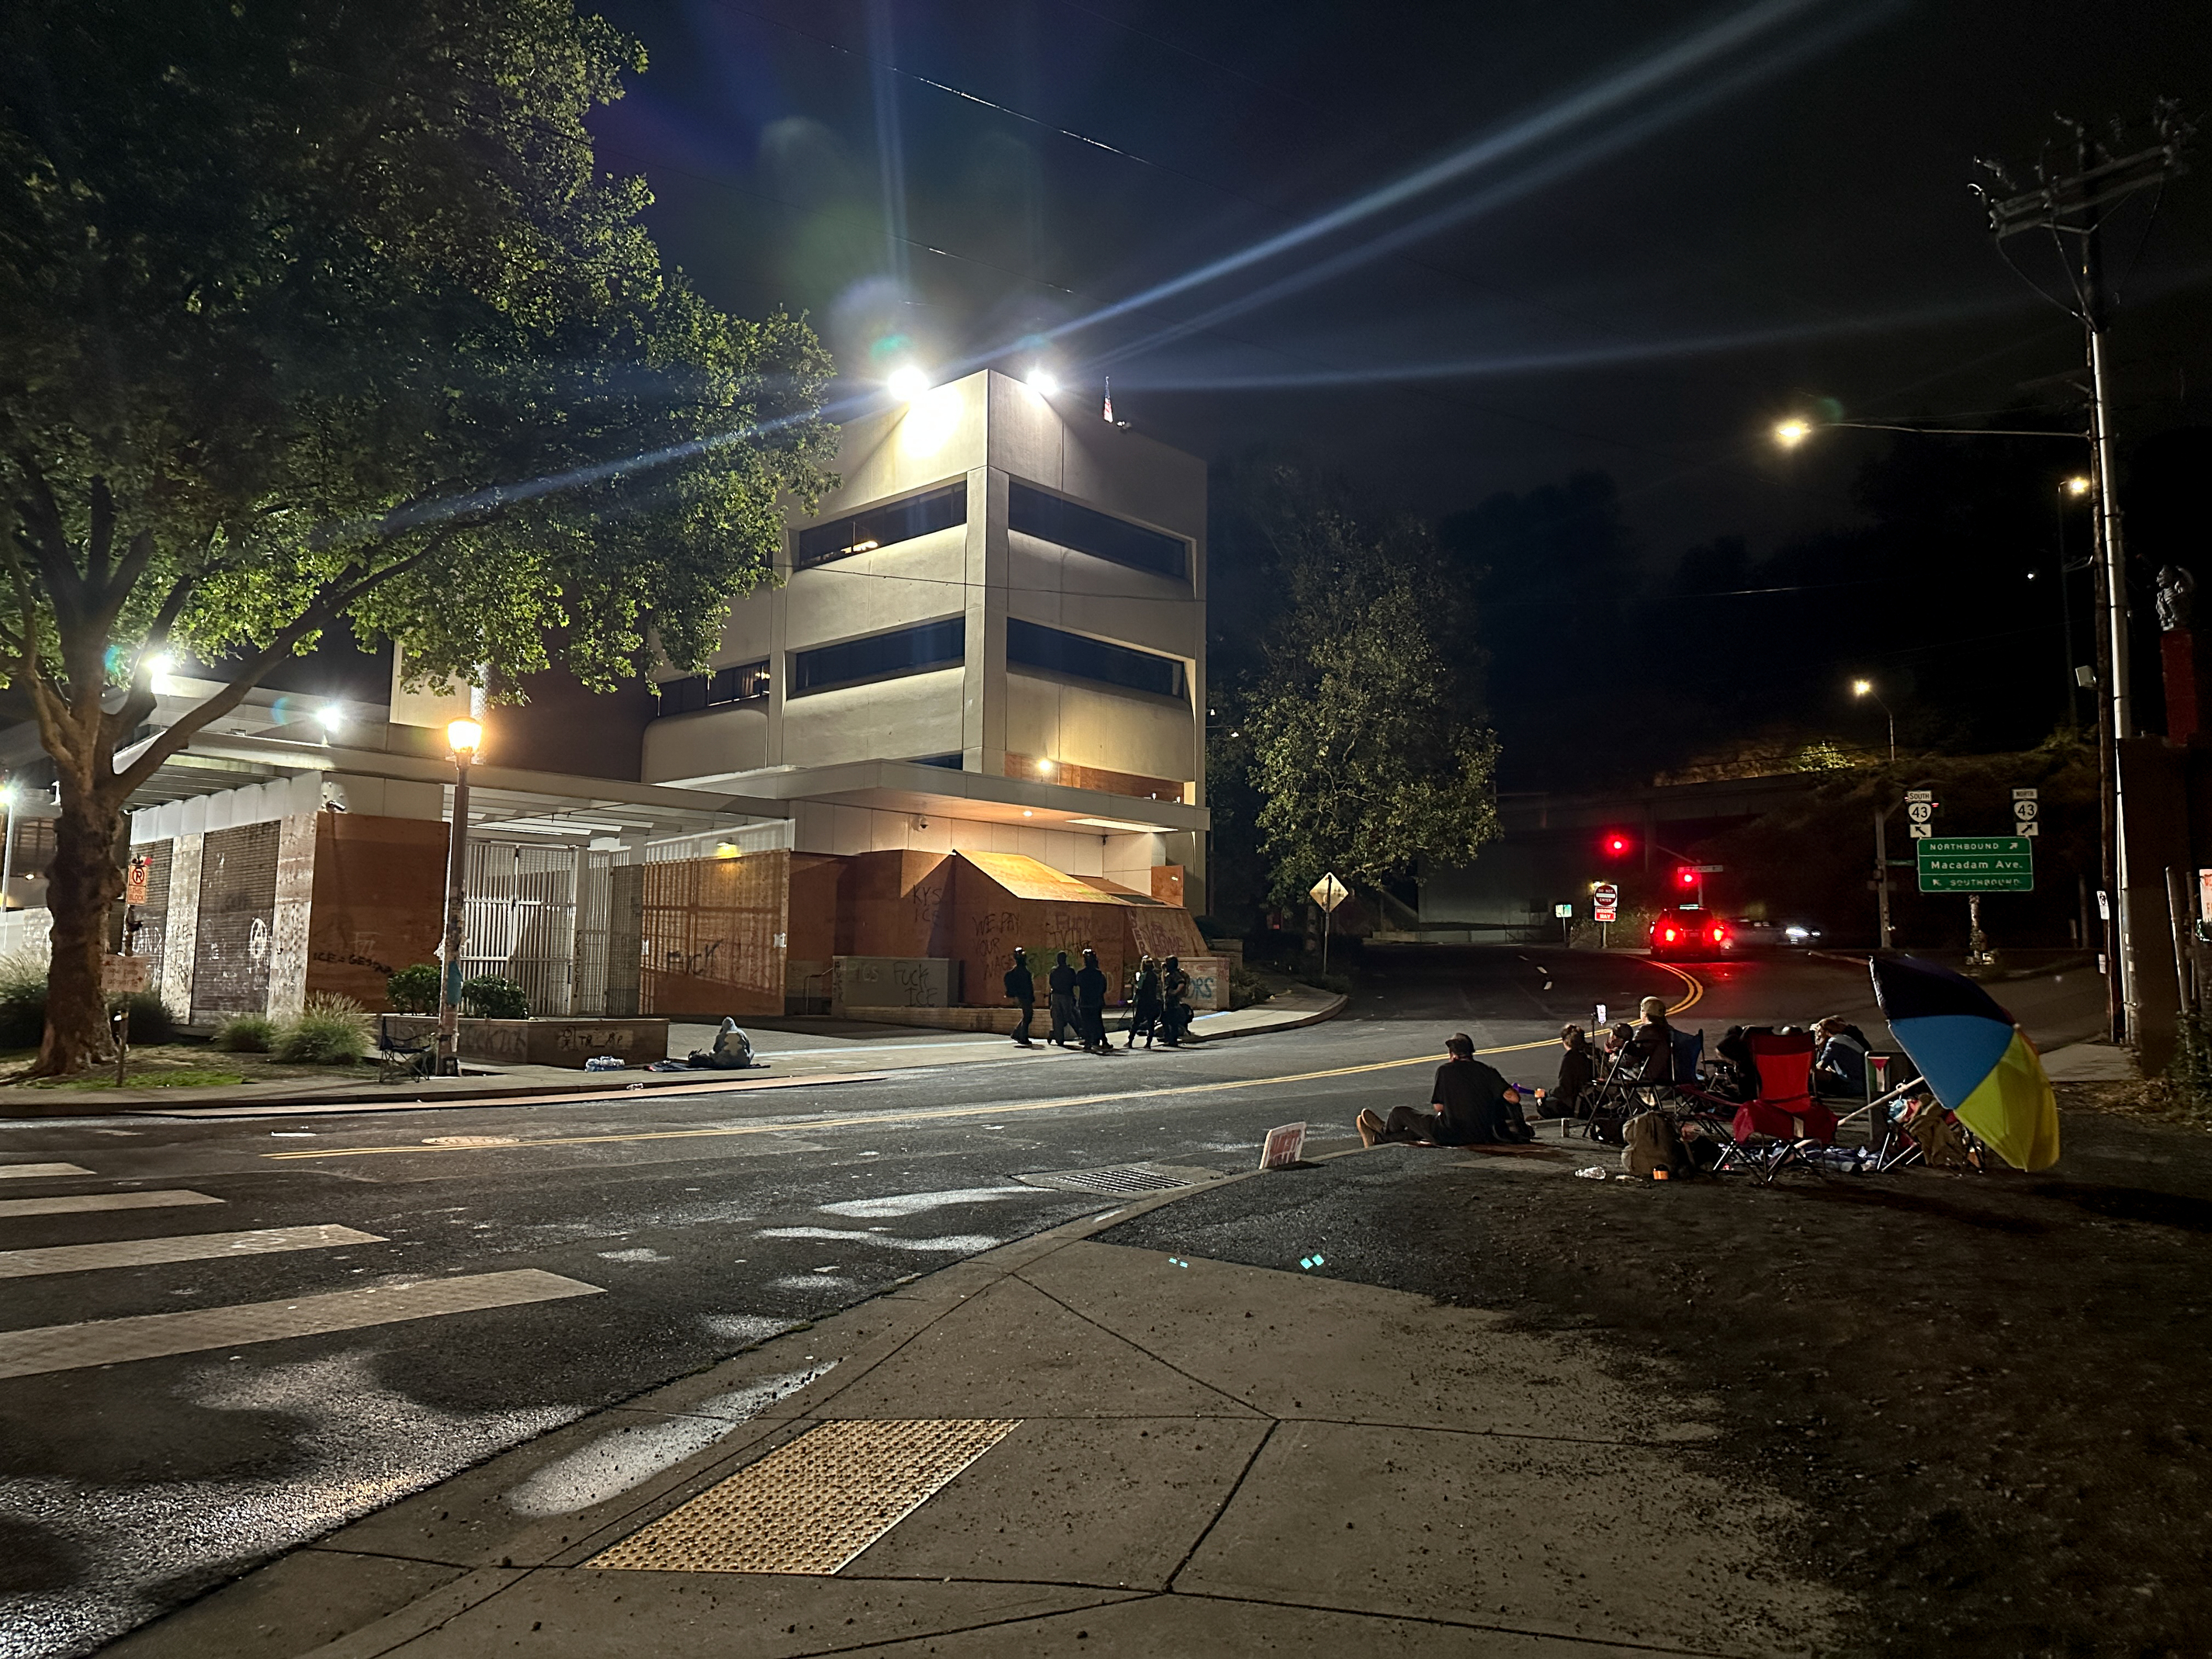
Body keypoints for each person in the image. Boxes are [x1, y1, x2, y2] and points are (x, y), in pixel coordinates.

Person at [1357, 1034, 1520, 1146]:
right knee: (1418, 1131)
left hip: (1451, 1132)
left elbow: (1439, 1107)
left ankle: (1383, 1131)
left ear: (1452, 1055)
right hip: (1482, 1133)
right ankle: (1375, 1139)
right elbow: (1514, 1098)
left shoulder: (1445, 1071)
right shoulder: (1487, 1071)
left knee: (1400, 1112)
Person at [1620, 996, 1675, 1085]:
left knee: (1617, 1070)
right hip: (1669, 1075)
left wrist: (1614, 1059)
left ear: (1644, 1013)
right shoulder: (1670, 1031)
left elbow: (1629, 1060)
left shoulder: (1645, 1032)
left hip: (1650, 1078)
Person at [1813, 1015, 1870, 1099]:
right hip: (1863, 1084)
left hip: (1852, 1085)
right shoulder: (1845, 1039)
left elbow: (1821, 1065)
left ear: (1827, 1032)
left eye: (1819, 1032)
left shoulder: (1834, 1043)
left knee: (1813, 1074)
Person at [1553, 1024, 1594, 1118]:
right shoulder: (1589, 1052)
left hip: (1578, 1101)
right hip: (1591, 1096)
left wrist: (1548, 1093)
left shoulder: (1569, 1059)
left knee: (1544, 1104)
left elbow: (1565, 1089)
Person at [1074, 947, 1110, 1052]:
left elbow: (1078, 984)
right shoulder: (1099, 974)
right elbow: (1103, 988)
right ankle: (1103, 1041)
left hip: (1085, 1002)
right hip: (1095, 1002)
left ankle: (1089, 1042)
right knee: (1098, 1022)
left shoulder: (1081, 974)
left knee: (1086, 1023)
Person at [685, 1017, 754, 1069]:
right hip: (743, 1063)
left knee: (711, 1052)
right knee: (752, 1051)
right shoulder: (742, 1033)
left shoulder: (721, 1035)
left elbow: (716, 1049)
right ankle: (742, 1059)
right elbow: (748, 1048)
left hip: (724, 1063)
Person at [1126, 955, 1161, 1049]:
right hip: (1152, 1001)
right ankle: (1148, 1043)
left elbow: (1139, 989)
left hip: (1143, 1002)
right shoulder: (1154, 976)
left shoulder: (1143, 976)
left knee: (1136, 1022)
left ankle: (1130, 1041)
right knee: (1151, 1023)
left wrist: (1134, 1000)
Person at [1004, 949, 1036, 1048]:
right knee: (1028, 1016)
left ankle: (1018, 1033)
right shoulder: (1022, 972)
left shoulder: (1017, 971)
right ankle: (1022, 1036)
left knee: (1027, 1016)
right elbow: (1028, 986)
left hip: (1022, 996)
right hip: (1024, 996)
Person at [1159, 954, 1192, 1046]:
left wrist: (1175, 992)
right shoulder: (1170, 974)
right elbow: (1164, 981)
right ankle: (1168, 1037)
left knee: (1171, 1021)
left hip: (1172, 1002)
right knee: (1165, 1019)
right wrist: (1163, 971)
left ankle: (1172, 1040)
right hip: (1168, 1001)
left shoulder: (1175, 974)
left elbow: (1181, 983)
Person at [1046, 951, 1077, 1048]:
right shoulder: (1070, 971)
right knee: (1067, 1016)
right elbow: (1074, 982)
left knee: (1057, 1017)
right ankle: (1057, 1035)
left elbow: (1051, 983)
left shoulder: (1054, 971)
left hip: (1056, 995)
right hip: (1066, 996)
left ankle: (1057, 1036)